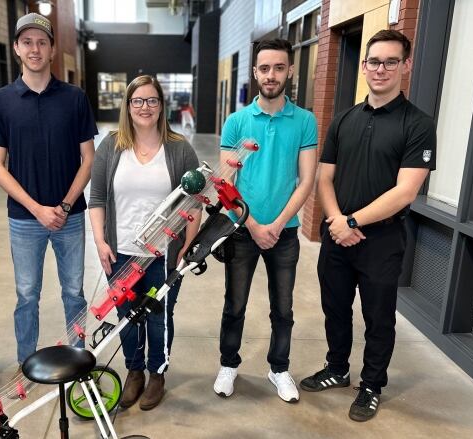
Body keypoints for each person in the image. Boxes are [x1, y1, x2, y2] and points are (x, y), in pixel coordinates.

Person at [300, 29, 436, 422]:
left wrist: (354, 221)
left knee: (379, 317)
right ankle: (338, 369)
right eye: (374, 61)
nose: (381, 69)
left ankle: (372, 385)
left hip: (381, 239)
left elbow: (406, 191)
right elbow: (325, 178)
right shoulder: (343, 120)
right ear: (363, 67)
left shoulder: (418, 125)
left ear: (405, 66)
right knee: (335, 308)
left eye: (391, 61)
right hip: (337, 235)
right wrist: (337, 222)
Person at [0, 13, 96, 367]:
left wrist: (63, 206)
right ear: (17, 48)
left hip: (71, 217)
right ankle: (25, 364)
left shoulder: (74, 98)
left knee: (74, 293)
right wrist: (36, 208)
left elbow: (88, 159)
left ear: (52, 50)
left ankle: (77, 359)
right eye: (27, 42)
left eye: (42, 42)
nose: (35, 48)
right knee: (27, 294)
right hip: (24, 219)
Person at [212, 38, 318, 403]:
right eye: (264, 68)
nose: (271, 75)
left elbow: (306, 180)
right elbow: (226, 182)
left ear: (290, 70)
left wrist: (277, 224)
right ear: (255, 72)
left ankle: (279, 368)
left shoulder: (305, 121)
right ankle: (229, 363)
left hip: (285, 233)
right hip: (242, 230)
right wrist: (254, 225)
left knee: (283, 308)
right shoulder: (237, 122)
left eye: (278, 67)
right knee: (235, 303)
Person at [88, 75, 201, 411]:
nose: (145, 107)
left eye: (152, 100)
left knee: (158, 316)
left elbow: (195, 202)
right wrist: (99, 241)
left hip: (162, 255)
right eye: (137, 101)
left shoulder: (180, 148)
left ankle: (157, 375)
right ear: (128, 106)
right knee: (126, 315)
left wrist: (187, 245)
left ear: (162, 106)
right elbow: (96, 198)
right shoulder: (111, 145)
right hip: (120, 251)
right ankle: (134, 372)